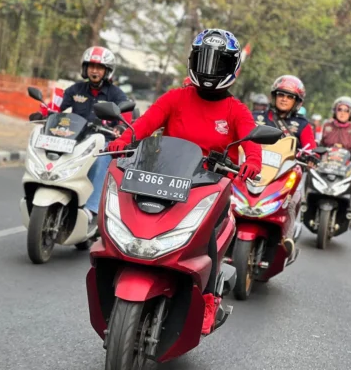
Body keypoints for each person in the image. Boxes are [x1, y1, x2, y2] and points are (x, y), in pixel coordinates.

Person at [108, 28, 262, 335]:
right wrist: (124, 140)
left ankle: (208, 298)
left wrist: (253, 163)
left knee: (211, 238)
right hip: (160, 177)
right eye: (204, 60)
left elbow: (250, 141)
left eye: (217, 63)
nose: (209, 69)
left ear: (232, 68)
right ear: (193, 61)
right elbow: (146, 123)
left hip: (207, 188)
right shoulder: (175, 97)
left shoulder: (236, 110)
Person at [34, 47, 128, 230]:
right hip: (76, 140)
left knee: (103, 158)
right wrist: (42, 114)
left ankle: (91, 210)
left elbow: (126, 115)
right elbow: (56, 107)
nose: (94, 70)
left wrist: (120, 127)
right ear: (85, 68)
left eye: (99, 67)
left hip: (102, 141)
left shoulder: (115, 94)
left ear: (107, 71)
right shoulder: (75, 90)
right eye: (91, 66)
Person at [252, 75, 316, 150]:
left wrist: (311, 157)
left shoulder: (303, 124)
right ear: (274, 96)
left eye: (290, 97)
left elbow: (312, 151)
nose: (284, 99)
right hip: (255, 160)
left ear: (296, 102)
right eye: (281, 95)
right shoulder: (254, 117)